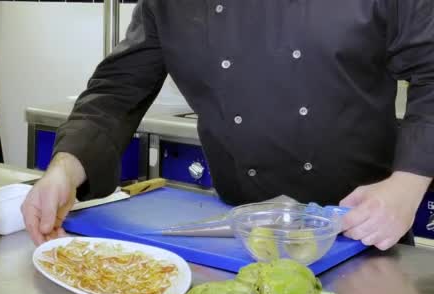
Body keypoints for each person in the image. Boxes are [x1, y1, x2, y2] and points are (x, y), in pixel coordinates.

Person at [22, 1, 434, 250]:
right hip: (241, 237)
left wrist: (407, 184)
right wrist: (65, 169)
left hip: (360, 231)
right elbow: (118, 89)